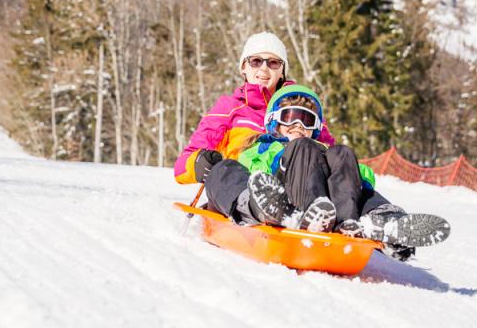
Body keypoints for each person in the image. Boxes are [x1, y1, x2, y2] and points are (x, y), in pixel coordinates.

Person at [173, 31, 449, 261]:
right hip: (245, 183)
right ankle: (262, 205)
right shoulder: (228, 107)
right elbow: (182, 166)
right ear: (244, 66)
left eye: (272, 63)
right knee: (224, 169)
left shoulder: (303, 107)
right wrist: (199, 163)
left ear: (282, 69)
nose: (263, 69)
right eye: (256, 61)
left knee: (340, 167)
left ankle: (384, 221)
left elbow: (331, 161)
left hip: (301, 187)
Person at [235, 85, 451, 256]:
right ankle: (314, 214)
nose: (299, 125)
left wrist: (347, 169)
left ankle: (382, 222)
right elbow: (252, 171)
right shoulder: (265, 147)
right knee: (303, 147)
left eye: (307, 120)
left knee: (343, 154)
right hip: (290, 204)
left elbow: (364, 176)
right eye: (291, 117)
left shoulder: (324, 151)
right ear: (275, 121)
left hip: (335, 211)